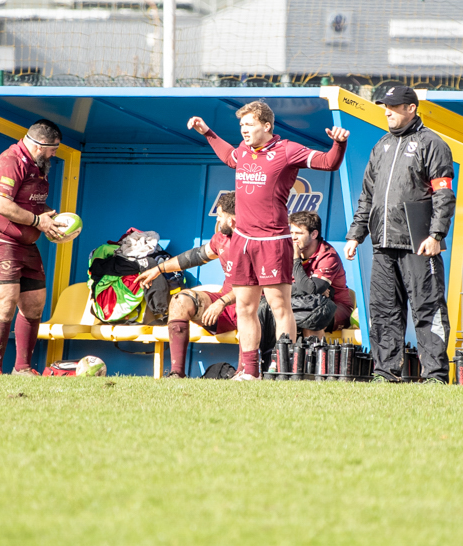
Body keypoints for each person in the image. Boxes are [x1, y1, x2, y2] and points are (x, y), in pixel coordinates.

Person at [189, 101, 348, 380]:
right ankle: (250, 371)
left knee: (279, 306)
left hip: (272, 240)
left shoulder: (287, 150)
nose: (244, 130)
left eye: (249, 124)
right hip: (242, 241)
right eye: (241, 125)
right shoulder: (243, 150)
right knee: (245, 307)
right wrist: (207, 133)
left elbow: (328, 162)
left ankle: (284, 368)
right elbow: (229, 156)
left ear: (266, 126)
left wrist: (339, 144)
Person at [344, 86, 454, 384]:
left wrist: (436, 234)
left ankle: (435, 375)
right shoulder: (381, 145)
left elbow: (444, 195)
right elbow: (367, 197)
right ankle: (385, 373)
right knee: (383, 311)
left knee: (428, 308)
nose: (387, 112)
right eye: (385, 106)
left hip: (419, 244)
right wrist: (355, 234)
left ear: (411, 108)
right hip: (382, 244)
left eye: (393, 107)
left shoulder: (432, 143)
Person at [0, 119, 65, 375]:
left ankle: (22, 368)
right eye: (53, 149)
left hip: (25, 242)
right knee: (6, 301)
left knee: (35, 303)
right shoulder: (10, 161)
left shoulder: (38, 165)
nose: (54, 154)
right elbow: (2, 204)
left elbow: (30, 203)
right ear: (40, 145)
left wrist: (53, 220)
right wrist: (37, 221)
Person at [136, 192, 238, 379]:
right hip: (226, 306)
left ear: (232, 219)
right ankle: (177, 374)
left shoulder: (255, 241)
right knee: (180, 301)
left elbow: (255, 288)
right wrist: (158, 269)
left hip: (253, 310)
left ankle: (251, 372)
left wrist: (221, 302)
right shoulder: (221, 239)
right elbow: (194, 257)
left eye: (220, 216)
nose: (217, 220)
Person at [285, 210, 353, 337]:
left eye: (299, 233)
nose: (293, 237)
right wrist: (305, 290)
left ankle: (314, 350)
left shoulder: (328, 255)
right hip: (299, 303)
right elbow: (276, 287)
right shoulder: (286, 252)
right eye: (291, 232)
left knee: (312, 318)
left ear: (314, 234)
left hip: (335, 306)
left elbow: (310, 290)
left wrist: (296, 259)